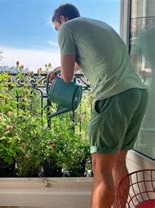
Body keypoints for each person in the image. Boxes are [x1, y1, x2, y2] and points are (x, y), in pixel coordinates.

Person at [47, 3, 148, 208]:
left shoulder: (67, 29)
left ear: (63, 20)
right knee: (119, 163)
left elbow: (67, 77)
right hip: (137, 93)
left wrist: (60, 71)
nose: (59, 31)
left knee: (100, 168)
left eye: (56, 27)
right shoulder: (99, 25)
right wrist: (61, 67)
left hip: (113, 96)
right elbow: (81, 62)